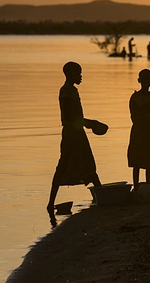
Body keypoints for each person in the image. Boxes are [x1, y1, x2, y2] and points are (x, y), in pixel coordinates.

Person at [47, 62, 102, 226]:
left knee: (89, 164)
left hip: (78, 132)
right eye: (78, 74)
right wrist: (88, 122)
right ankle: (50, 203)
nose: (80, 76)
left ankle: (101, 197)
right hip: (71, 133)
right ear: (70, 74)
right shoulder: (65, 91)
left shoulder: (73, 90)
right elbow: (68, 117)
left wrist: (86, 123)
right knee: (63, 166)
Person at [128, 69, 150, 189]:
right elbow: (134, 116)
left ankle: (148, 185)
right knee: (136, 161)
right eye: (144, 80)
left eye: (148, 80)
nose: (146, 83)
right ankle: (136, 186)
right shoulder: (135, 97)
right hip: (139, 131)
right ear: (139, 81)